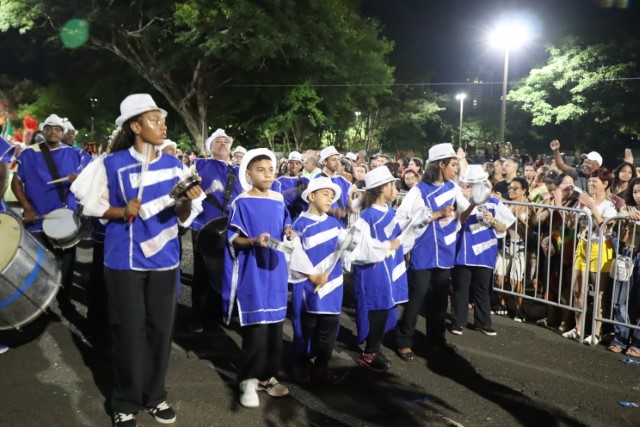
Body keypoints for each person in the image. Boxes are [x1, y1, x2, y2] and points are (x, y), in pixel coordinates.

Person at [70, 93, 204, 426]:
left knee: (160, 330)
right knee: (128, 332)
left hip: (165, 260)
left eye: (163, 120)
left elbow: (183, 217)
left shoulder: (176, 166)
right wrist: (120, 210)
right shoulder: (110, 163)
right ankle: (125, 400)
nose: (163, 126)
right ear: (135, 126)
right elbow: (90, 205)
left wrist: (188, 201)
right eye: (154, 120)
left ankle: (155, 395)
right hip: (124, 261)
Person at [222, 148, 295, 408]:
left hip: (275, 270)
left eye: (271, 170)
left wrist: (288, 229)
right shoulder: (241, 202)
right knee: (256, 329)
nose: (267, 174)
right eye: (260, 170)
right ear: (248, 174)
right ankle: (248, 379)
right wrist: (253, 240)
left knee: (275, 329)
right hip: (253, 271)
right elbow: (233, 238)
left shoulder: (278, 199)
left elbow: (286, 222)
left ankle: (267, 377)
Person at [395, 143, 476, 359]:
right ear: (441, 164)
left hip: (445, 252)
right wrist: (437, 214)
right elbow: (403, 218)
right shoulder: (419, 190)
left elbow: (463, 217)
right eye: (453, 165)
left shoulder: (452, 188)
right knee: (416, 299)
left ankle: (436, 340)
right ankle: (404, 341)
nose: (456, 169)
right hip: (423, 252)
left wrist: (474, 203)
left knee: (439, 302)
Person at [11, 113, 84, 312]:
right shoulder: (28, 154)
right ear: (43, 131)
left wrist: (78, 180)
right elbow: (16, 183)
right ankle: (39, 304)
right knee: (37, 265)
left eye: (57, 129)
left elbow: (87, 183)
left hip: (64, 217)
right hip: (36, 218)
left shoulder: (74, 154)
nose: (53, 131)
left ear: (62, 133)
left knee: (67, 263)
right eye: (49, 128)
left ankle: (63, 300)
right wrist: (27, 207)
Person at [351, 167, 407, 371]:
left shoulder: (390, 210)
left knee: (387, 308)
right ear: (383, 188)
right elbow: (360, 246)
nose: (396, 189)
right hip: (373, 270)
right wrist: (386, 246)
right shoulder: (367, 215)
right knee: (377, 309)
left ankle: (374, 348)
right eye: (393, 185)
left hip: (388, 267)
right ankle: (369, 353)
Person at [289, 177, 345, 384]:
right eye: (325, 194)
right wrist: (312, 276)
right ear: (311, 196)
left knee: (329, 327)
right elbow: (294, 254)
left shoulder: (335, 223)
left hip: (333, 285)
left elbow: (344, 249)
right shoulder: (299, 224)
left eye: (332, 196)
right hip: (308, 287)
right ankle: (301, 364)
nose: (330, 199)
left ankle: (322, 366)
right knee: (306, 328)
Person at [189, 128, 243, 332]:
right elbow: (188, 188)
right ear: (209, 147)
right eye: (218, 141)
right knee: (202, 273)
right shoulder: (199, 164)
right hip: (204, 226)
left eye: (226, 141)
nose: (223, 144)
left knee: (227, 270)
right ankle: (198, 317)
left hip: (229, 227)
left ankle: (222, 313)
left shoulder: (239, 171)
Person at [450, 165, 515, 336]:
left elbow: (503, 228)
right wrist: (470, 203)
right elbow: (457, 221)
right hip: (463, 250)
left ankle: (483, 322)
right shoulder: (461, 199)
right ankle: (458, 322)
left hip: (485, 251)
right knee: (461, 288)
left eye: (479, 183)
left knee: (482, 289)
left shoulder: (494, 202)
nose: (475, 186)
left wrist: (493, 220)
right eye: (472, 183)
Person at [562, 168, 617, 345]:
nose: (591, 183)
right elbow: (571, 225)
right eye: (590, 180)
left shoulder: (609, 205)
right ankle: (578, 328)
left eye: (595, 181)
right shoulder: (584, 202)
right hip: (582, 245)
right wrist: (577, 209)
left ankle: (596, 332)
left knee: (598, 294)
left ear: (605, 184)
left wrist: (592, 207)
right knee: (578, 291)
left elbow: (606, 228)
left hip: (600, 248)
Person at [608, 177, 640, 356]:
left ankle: (637, 343)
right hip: (627, 255)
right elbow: (621, 237)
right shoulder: (626, 209)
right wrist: (627, 221)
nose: (638, 195)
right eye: (635, 192)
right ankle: (620, 338)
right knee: (621, 299)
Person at [318, 146, 354, 226]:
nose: (337, 162)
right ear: (324, 161)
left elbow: (347, 198)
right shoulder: (318, 180)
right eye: (334, 160)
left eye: (338, 159)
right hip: (325, 224)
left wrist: (352, 209)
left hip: (341, 224)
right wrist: (334, 211)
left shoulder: (341, 179)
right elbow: (317, 204)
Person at [276, 151, 309, 222]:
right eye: (291, 163)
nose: (294, 166)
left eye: (297, 163)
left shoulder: (305, 180)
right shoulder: (279, 181)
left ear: (301, 166)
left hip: (303, 218)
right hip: (285, 218)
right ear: (287, 164)